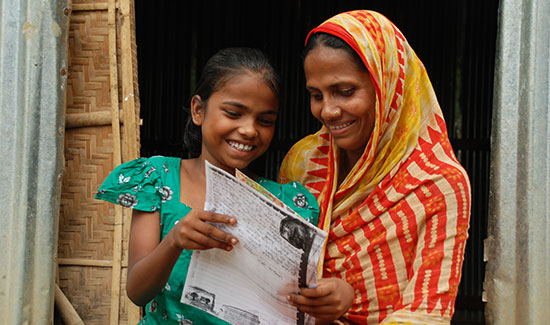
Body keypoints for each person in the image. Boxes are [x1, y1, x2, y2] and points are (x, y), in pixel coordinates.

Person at [95, 47, 320, 324]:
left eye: (265, 120)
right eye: (234, 113)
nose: (250, 129)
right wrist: (174, 241)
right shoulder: (159, 179)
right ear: (198, 110)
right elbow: (137, 292)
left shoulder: (286, 205)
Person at [281, 10, 471, 324]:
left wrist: (348, 300)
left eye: (345, 92)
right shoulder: (302, 162)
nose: (328, 111)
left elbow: (425, 313)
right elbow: (278, 272)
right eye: (316, 95)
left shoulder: (438, 182)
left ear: (387, 87)